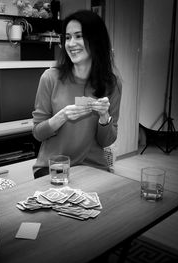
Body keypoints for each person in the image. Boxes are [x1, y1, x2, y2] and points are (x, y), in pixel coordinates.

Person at [32, 10, 121, 178]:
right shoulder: (50, 77)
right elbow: (38, 133)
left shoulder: (112, 84)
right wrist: (61, 117)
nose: (71, 43)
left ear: (96, 40)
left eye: (78, 36)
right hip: (54, 166)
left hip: (94, 166)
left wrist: (104, 117)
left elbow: (107, 141)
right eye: (67, 37)